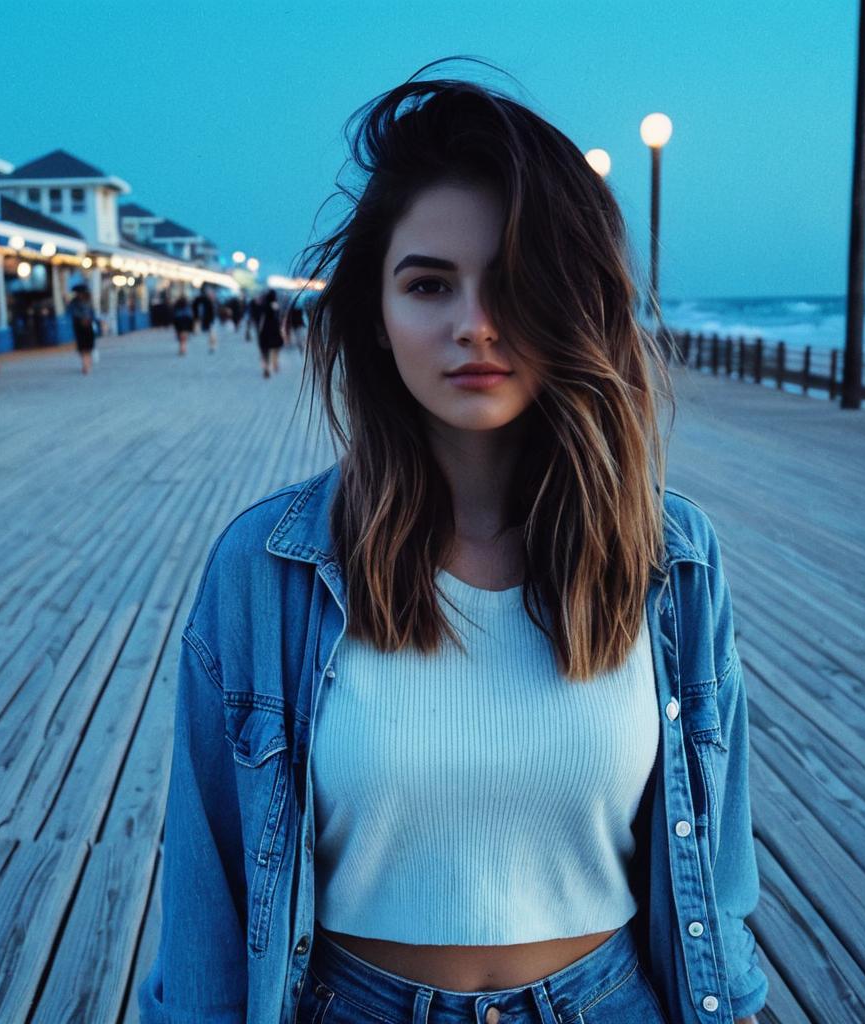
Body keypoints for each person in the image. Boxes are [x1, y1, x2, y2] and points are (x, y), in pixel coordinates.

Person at [138, 62, 767, 1024]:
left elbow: (717, 876)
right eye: (430, 284)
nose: (475, 324)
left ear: (575, 303)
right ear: (378, 320)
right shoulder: (265, 569)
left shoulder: (671, 558)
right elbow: (210, 897)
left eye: (515, 283)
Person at [67, 286, 96, 374]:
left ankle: (88, 362)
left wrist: (90, 319)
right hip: (79, 326)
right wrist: (82, 318)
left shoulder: (89, 301)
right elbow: (72, 312)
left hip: (89, 326)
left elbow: (92, 313)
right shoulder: (73, 303)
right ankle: (85, 364)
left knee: (89, 346)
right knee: (82, 347)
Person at [255, 288, 284, 378]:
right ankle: (275, 364)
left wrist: (259, 331)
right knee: (275, 348)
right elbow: (279, 316)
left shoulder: (263, 305)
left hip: (265, 330)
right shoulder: (276, 305)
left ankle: (266, 367)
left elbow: (260, 319)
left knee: (265, 350)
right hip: (275, 329)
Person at [192, 286, 218, 353]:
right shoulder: (207, 301)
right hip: (207, 320)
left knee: (211, 333)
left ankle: (212, 345)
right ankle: (212, 345)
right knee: (212, 332)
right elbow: (211, 311)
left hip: (205, 319)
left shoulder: (199, 300)